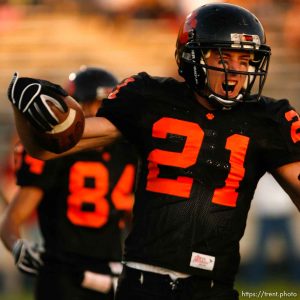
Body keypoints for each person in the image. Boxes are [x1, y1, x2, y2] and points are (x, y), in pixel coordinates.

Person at [5, 3, 300, 300]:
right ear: (194, 56)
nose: (237, 70)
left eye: (246, 58)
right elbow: (52, 145)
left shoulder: (269, 120)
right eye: (225, 56)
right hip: (142, 284)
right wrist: (24, 109)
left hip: (213, 288)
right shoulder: (150, 99)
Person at [0, 67, 137, 300]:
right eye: (97, 103)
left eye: (109, 104)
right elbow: (12, 219)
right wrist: (17, 246)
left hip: (112, 275)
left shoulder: (128, 149)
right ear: (76, 108)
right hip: (63, 277)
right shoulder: (54, 153)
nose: (105, 112)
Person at [248, 172, 300, 283]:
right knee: (260, 250)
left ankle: (297, 278)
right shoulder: (261, 177)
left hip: (283, 215)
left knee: (291, 249)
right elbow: (257, 194)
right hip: (266, 216)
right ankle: (254, 279)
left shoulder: (283, 175)